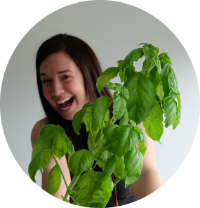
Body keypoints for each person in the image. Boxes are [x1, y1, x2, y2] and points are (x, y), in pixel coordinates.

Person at [31, 34, 163, 207]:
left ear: (87, 74)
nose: (55, 91)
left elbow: (145, 172)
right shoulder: (47, 129)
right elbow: (56, 188)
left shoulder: (127, 118)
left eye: (65, 77)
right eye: (46, 81)